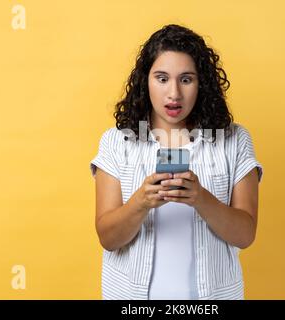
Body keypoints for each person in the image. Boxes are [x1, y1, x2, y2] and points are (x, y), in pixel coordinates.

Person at [90, 24, 263, 300]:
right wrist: (141, 202)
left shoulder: (234, 140)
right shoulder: (116, 142)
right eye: (161, 78)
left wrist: (200, 198)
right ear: (145, 82)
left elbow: (245, 235)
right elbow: (108, 239)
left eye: (186, 79)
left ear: (201, 83)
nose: (174, 94)